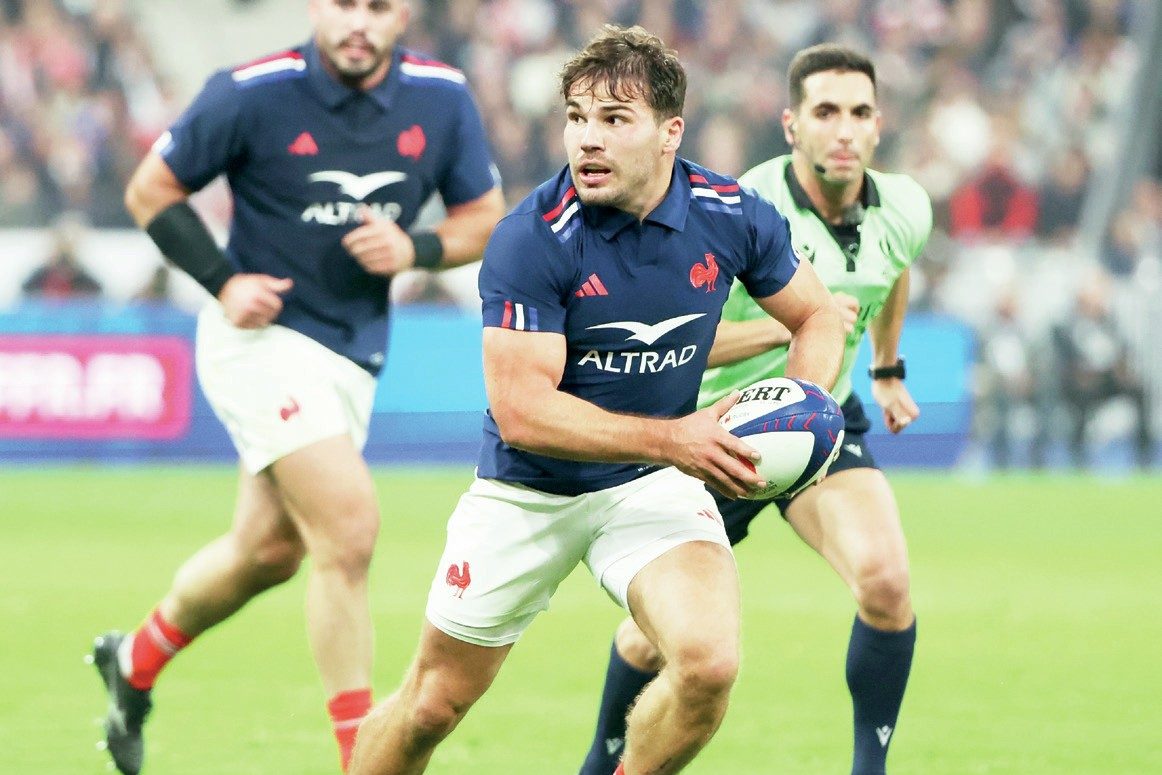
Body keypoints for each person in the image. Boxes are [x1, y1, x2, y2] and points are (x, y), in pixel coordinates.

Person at [349, 25, 845, 775]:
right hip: (529, 489)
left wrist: (802, 411)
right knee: (430, 706)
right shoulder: (531, 237)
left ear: (670, 132)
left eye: (615, 119)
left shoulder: (732, 213)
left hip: (651, 486)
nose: (587, 138)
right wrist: (674, 439)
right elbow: (523, 413)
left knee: (708, 666)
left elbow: (817, 315)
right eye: (577, 118)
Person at [89, 2, 504, 773]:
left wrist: (415, 246)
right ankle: (360, 758)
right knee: (349, 527)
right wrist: (222, 281)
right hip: (259, 339)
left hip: (352, 354)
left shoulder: (442, 98)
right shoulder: (251, 90)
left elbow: (484, 218)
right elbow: (152, 189)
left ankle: (134, 660)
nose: (359, 21)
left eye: (378, 6)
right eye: (344, 3)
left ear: (403, 14)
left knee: (269, 551)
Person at [578, 44, 932, 775]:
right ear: (792, 125)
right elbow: (681, 342)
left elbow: (891, 271)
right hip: (716, 430)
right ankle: (602, 759)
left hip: (820, 419)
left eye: (859, 113)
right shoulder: (739, 210)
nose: (844, 129)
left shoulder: (906, 206)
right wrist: (789, 324)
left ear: (878, 124)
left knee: (887, 583)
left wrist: (886, 366)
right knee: (653, 640)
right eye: (825, 112)